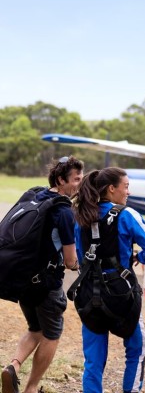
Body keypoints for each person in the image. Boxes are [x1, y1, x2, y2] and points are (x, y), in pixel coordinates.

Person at [72, 167, 145, 393]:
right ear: (112, 189)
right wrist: (136, 257)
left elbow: (80, 257)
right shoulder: (126, 215)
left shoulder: (81, 216)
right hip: (122, 298)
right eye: (126, 187)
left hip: (88, 296)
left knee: (92, 361)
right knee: (137, 349)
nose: (128, 192)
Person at [1, 155, 84, 393]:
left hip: (23, 280)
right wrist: (81, 265)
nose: (79, 184)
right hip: (46, 285)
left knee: (35, 328)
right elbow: (69, 261)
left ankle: (14, 366)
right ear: (61, 179)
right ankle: (31, 388)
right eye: (76, 179)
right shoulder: (63, 211)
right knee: (52, 332)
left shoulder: (35, 196)